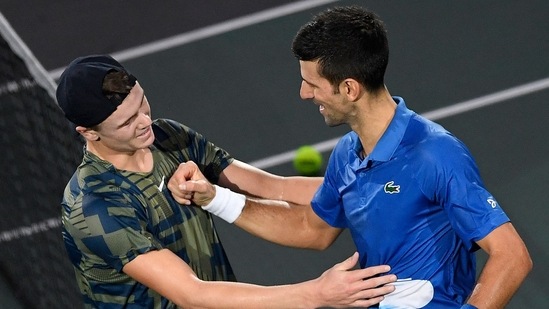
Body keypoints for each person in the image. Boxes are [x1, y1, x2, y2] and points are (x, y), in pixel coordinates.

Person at [172, 6, 533, 309]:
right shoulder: (348, 152)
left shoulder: (435, 154)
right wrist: (215, 198)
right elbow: (311, 229)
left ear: (349, 88)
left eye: (312, 83)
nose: (303, 93)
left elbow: (512, 255)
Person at [57, 54, 397, 308]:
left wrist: (372, 187)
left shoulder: (168, 136)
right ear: (88, 133)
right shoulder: (95, 206)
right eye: (128, 121)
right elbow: (192, 294)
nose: (146, 120)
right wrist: (317, 293)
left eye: (142, 102)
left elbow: (275, 187)